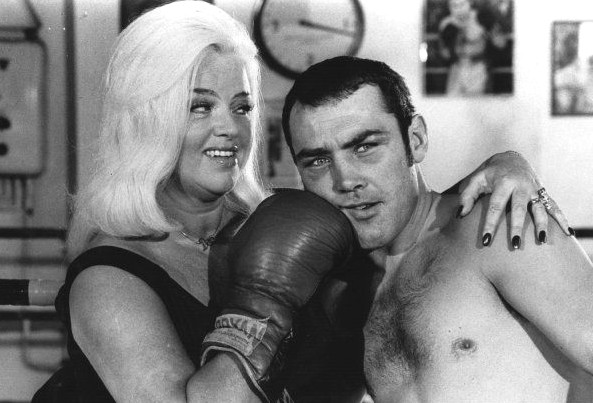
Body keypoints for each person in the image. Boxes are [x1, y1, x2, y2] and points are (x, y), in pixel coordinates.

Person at [33, 2, 570, 402]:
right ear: (145, 119)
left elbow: (413, 219)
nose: (229, 128)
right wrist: (261, 303)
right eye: (198, 107)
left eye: (241, 106)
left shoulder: (287, 225)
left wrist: (504, 166)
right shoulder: (110, 277)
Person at [280, 55, 593, 402]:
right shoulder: (345, 295)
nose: (345, 180)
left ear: (415, 140)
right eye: (318, 161)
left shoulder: (494, 224)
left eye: (364, 147)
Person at [438, 0, 508, 95]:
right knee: (451, 102)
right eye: (454, 5)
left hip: (478, 69)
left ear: (469, 3)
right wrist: (453, 40)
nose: (458, 9)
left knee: (476, 102)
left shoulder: (481, 17)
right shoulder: (446, 24)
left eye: (462, 4)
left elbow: (501, 43)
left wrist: (490, 33)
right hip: (456, 69)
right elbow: (444, 53)